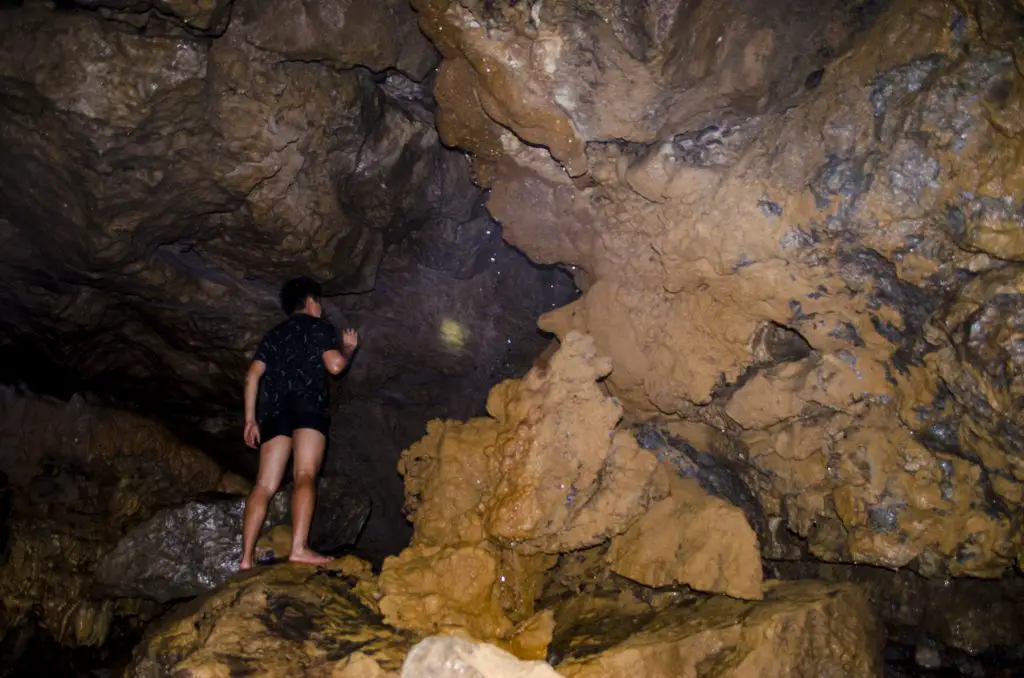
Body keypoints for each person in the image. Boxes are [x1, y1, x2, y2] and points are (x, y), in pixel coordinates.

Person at [239, 276, 358, 570]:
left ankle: (245, 559)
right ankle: (299, 548)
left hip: (274, 412)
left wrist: (251, 420)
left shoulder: (273, 335)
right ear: (310, 301)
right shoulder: (320, 327)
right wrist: (348, 348)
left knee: (264, 485)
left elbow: (252, 375)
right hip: (308, 408)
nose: (321, 308)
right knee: (304, 474)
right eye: (319, 302)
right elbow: (335, 366)